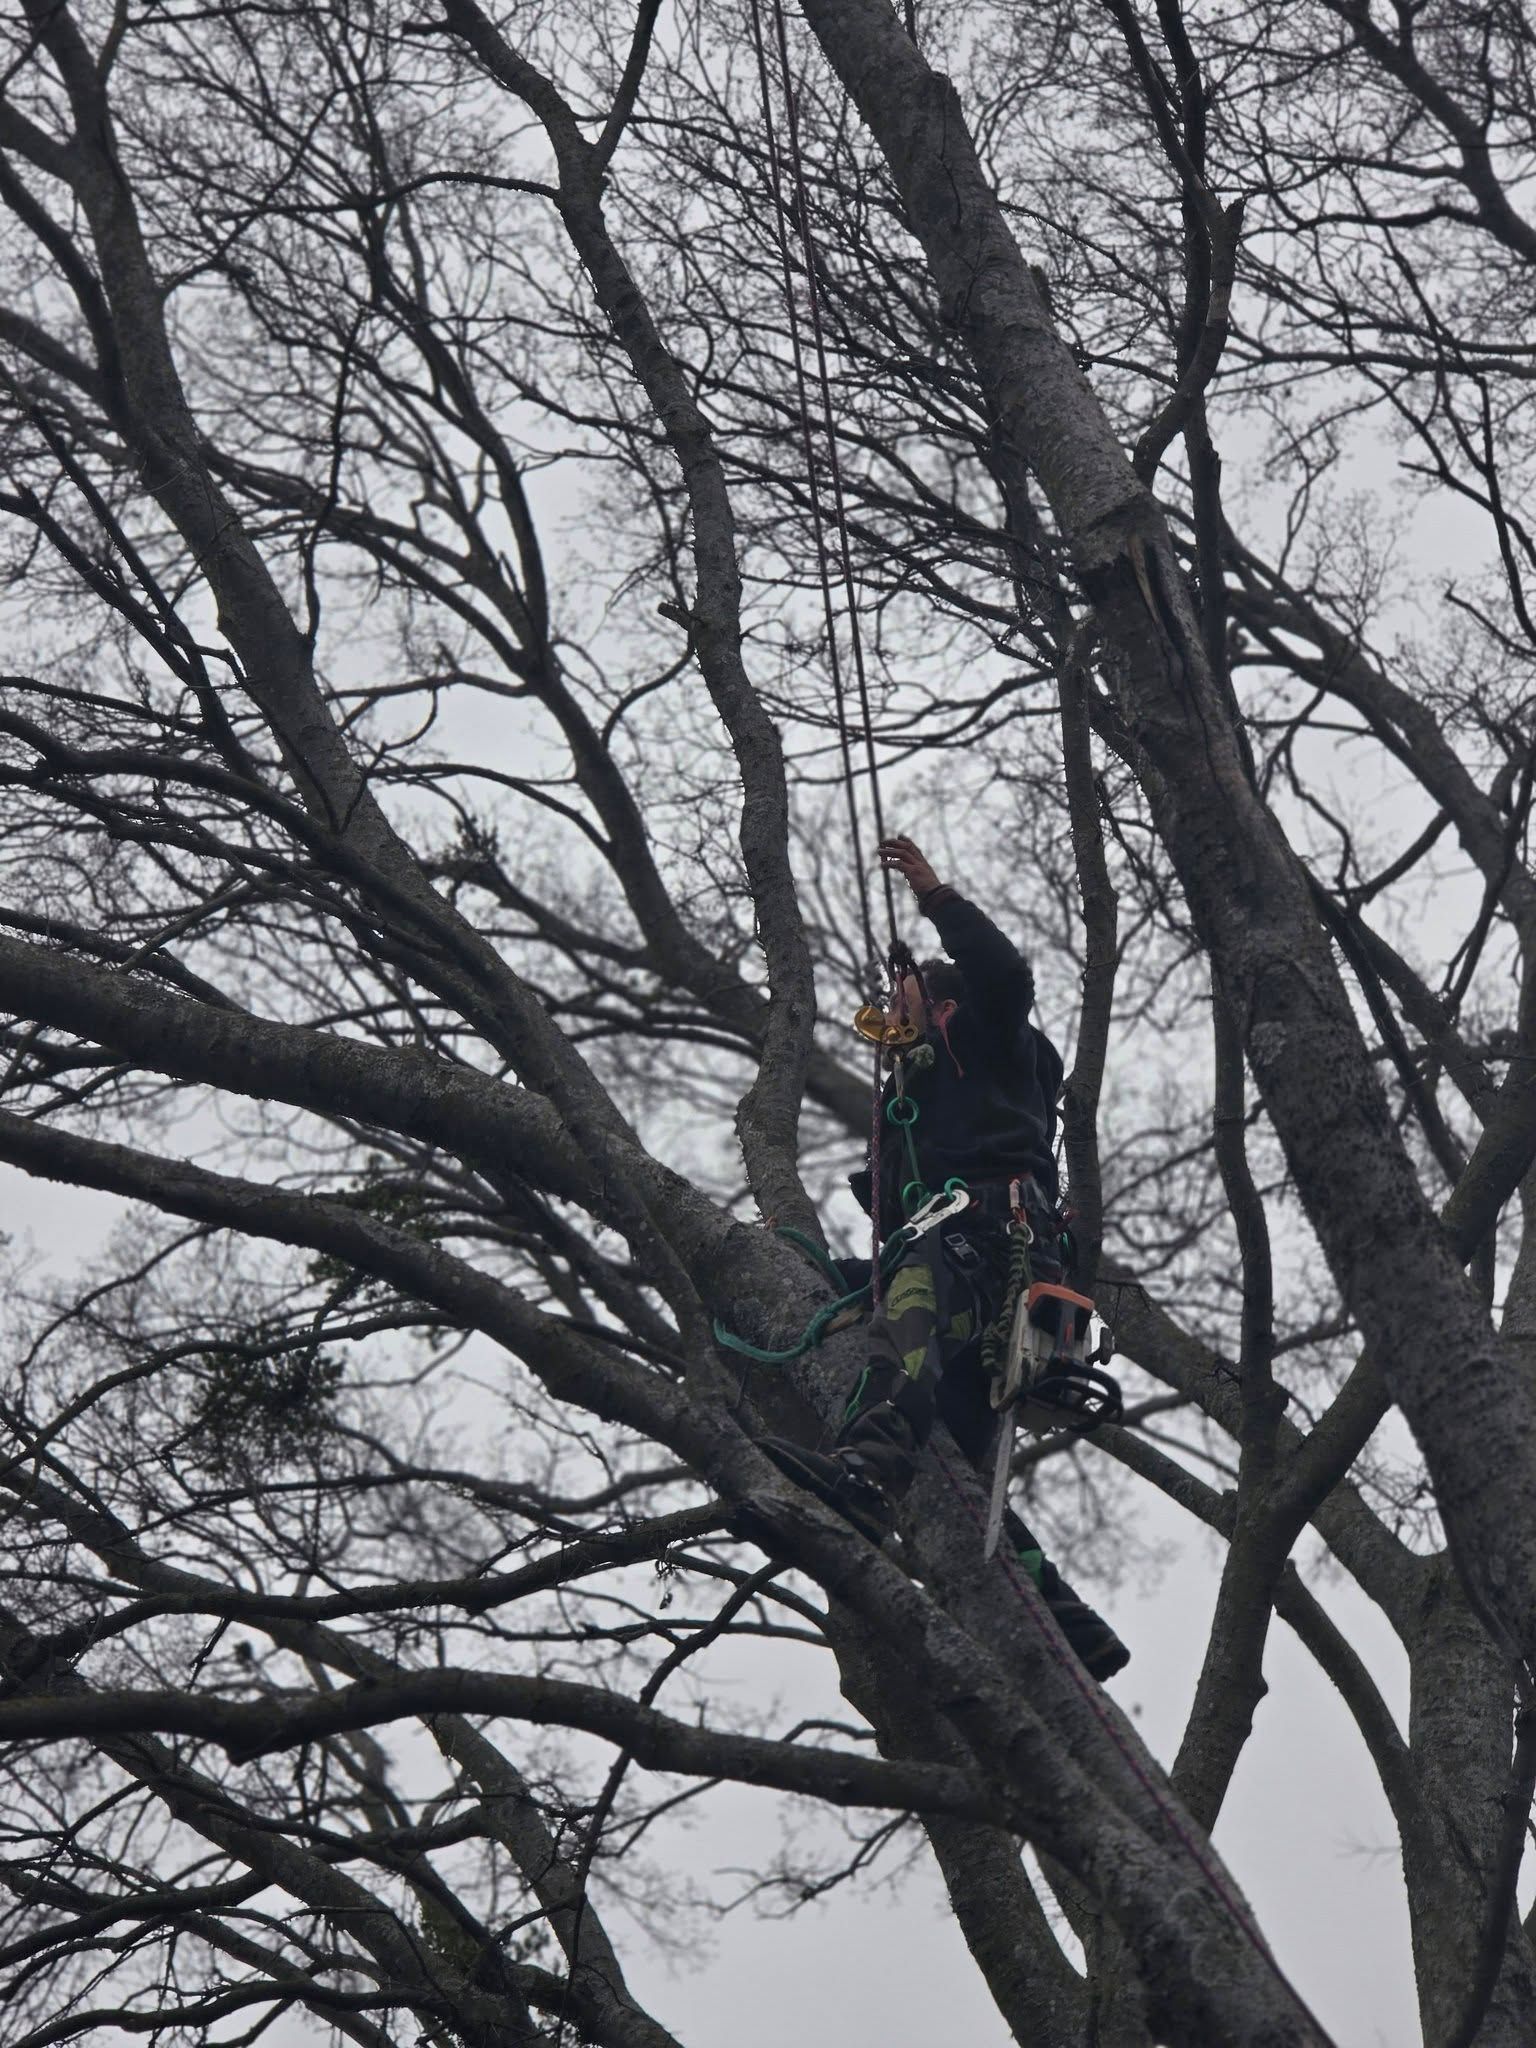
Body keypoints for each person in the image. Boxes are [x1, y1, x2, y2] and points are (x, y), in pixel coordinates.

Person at [759, 835, 1129, 1681]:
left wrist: (935, 895)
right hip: (958, 1268)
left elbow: (1007, 977)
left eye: (907, 995)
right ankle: (1070, 1622)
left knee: (914, 1284)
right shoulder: (918, 1099)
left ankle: (865, 1471)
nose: (896, 1007)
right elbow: (895, 1217)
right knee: (960, 1463)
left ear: (945, 1004)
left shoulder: (996, 1043)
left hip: (992, 1248)